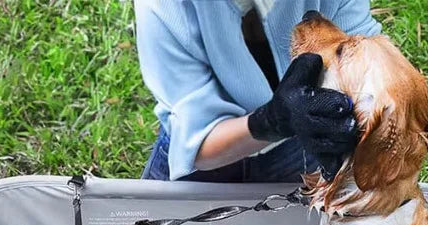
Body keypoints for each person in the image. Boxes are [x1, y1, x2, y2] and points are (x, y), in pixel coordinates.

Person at [134, 1, 382, 182]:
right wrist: (272, 122)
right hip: (204, 166)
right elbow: (196, 145)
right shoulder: (163, 7)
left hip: (302, 140)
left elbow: (370, 60)